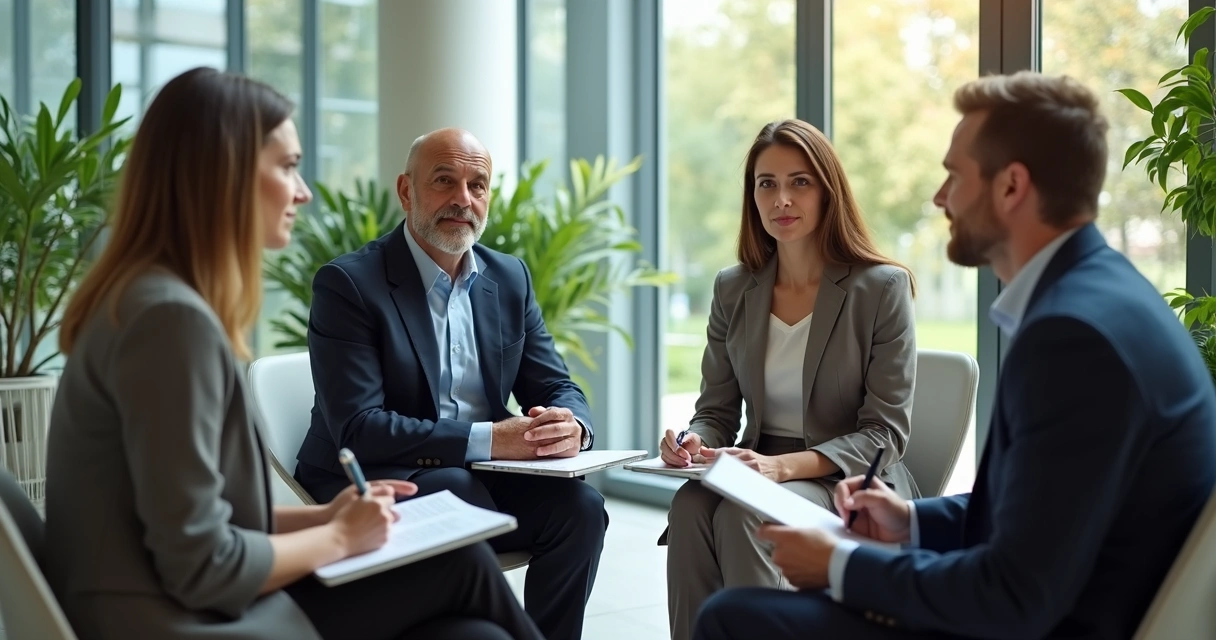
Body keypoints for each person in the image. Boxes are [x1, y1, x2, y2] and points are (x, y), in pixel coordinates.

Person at [692, 72, 1216, 640]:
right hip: (1059, 596)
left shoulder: (1073, 337)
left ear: (1011, 187)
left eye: (954, 175)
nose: (941, 197)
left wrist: (840, 565)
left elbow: (1014, 595)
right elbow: (1042, 513)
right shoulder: (1102, 296)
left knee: (734, 618)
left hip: (1057, 623)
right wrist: (912, 521)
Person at [43, 67, 543, 640]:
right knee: (462, 566)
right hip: (166, 618)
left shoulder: (152, 300)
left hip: (167, 596)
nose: (303, 191)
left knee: (470, 621)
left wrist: (328, 515)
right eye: (286, 167)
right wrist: (339, 538)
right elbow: (201, 565)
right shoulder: (169, 321)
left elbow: (200, 520)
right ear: (221, 177)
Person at [293, 127, 608, 640]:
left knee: (581, 509)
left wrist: (572, 426)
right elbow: (359, 428)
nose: (463, 200)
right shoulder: (350, 284)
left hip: (477, 473)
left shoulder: (508, 278)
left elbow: (556, 385)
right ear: (406, 191)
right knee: (457, 489)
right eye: (445, 181)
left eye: (477, 185)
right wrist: (491, 438)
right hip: (373, 476)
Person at [660, 118, 920, 640]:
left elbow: (885, 433)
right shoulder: (733, 288)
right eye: (767, 183)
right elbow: (716, 411)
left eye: (799, 182)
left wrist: (779, 468)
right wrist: (695, 443)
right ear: (752, 197)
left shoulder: (881, 287)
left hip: (845, 477)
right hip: (756, 465)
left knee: (741, 517)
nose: (782, 198)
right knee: (689, 506)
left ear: (828, 191)